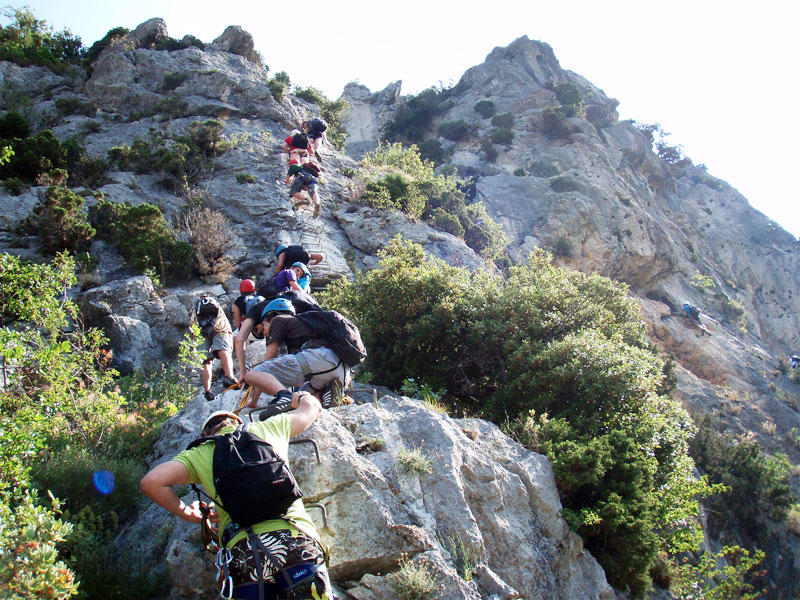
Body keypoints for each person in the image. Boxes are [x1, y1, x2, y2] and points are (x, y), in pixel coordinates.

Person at [139, 399, 333, 600]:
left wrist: (188, 513)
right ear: (238, 423)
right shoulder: (267, 428)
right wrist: (299, 397)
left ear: (205, 435)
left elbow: (151, 482)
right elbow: (312, 407)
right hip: (294, 538)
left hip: (245, 551)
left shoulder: (200, 452)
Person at [235, 298, 346, 412]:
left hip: (318, 358)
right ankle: (325, 395)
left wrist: (253, 400)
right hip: (338, 369)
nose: (264, 332)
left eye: (263, 326)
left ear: (271, 317)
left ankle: (284, 396)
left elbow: (266, 366)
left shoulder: (278, 321)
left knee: (252, 375)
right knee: (299, 396)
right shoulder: (300, 328)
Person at [195, 296, 237, 400]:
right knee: (224, 351)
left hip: (201, 326)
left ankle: (207, 390)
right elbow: (227, 347)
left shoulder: (197, 307)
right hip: (218, 324)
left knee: (206, 360)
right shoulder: (216, 307)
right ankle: (229, 377)